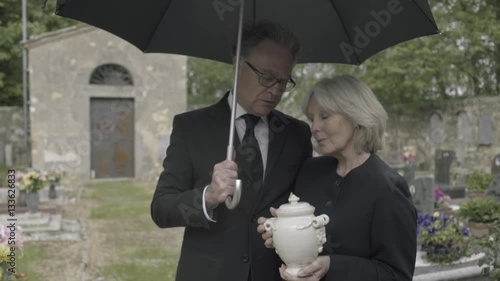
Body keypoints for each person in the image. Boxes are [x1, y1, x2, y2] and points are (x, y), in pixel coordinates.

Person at [151, 22, 312, 281]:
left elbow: (307, 203)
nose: (275, 91)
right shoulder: (191, 127)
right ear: (238, 65)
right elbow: (161, 209)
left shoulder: (297, 133)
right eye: (267, 77)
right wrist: (208, 197)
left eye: (284, 81)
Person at [257, 75, 417, 281]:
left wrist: (332, 266)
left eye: (324, 116)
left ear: (356, 116)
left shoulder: (388, 188)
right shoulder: (310, 171)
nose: (314, 127)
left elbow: (397, 275)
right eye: (311, 117)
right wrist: (281, 234)